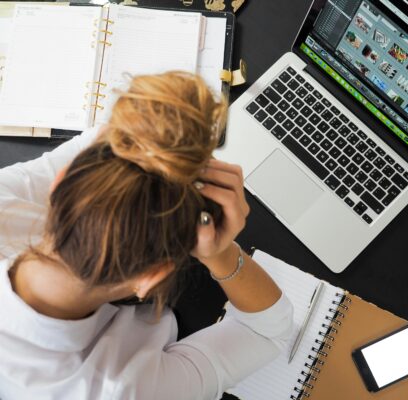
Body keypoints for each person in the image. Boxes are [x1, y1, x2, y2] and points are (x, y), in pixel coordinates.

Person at [0, 72, 293, 399]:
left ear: (57, 186)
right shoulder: (127, 391)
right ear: (151, 277)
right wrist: (220, 254)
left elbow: (100, 140)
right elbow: (266, 331)